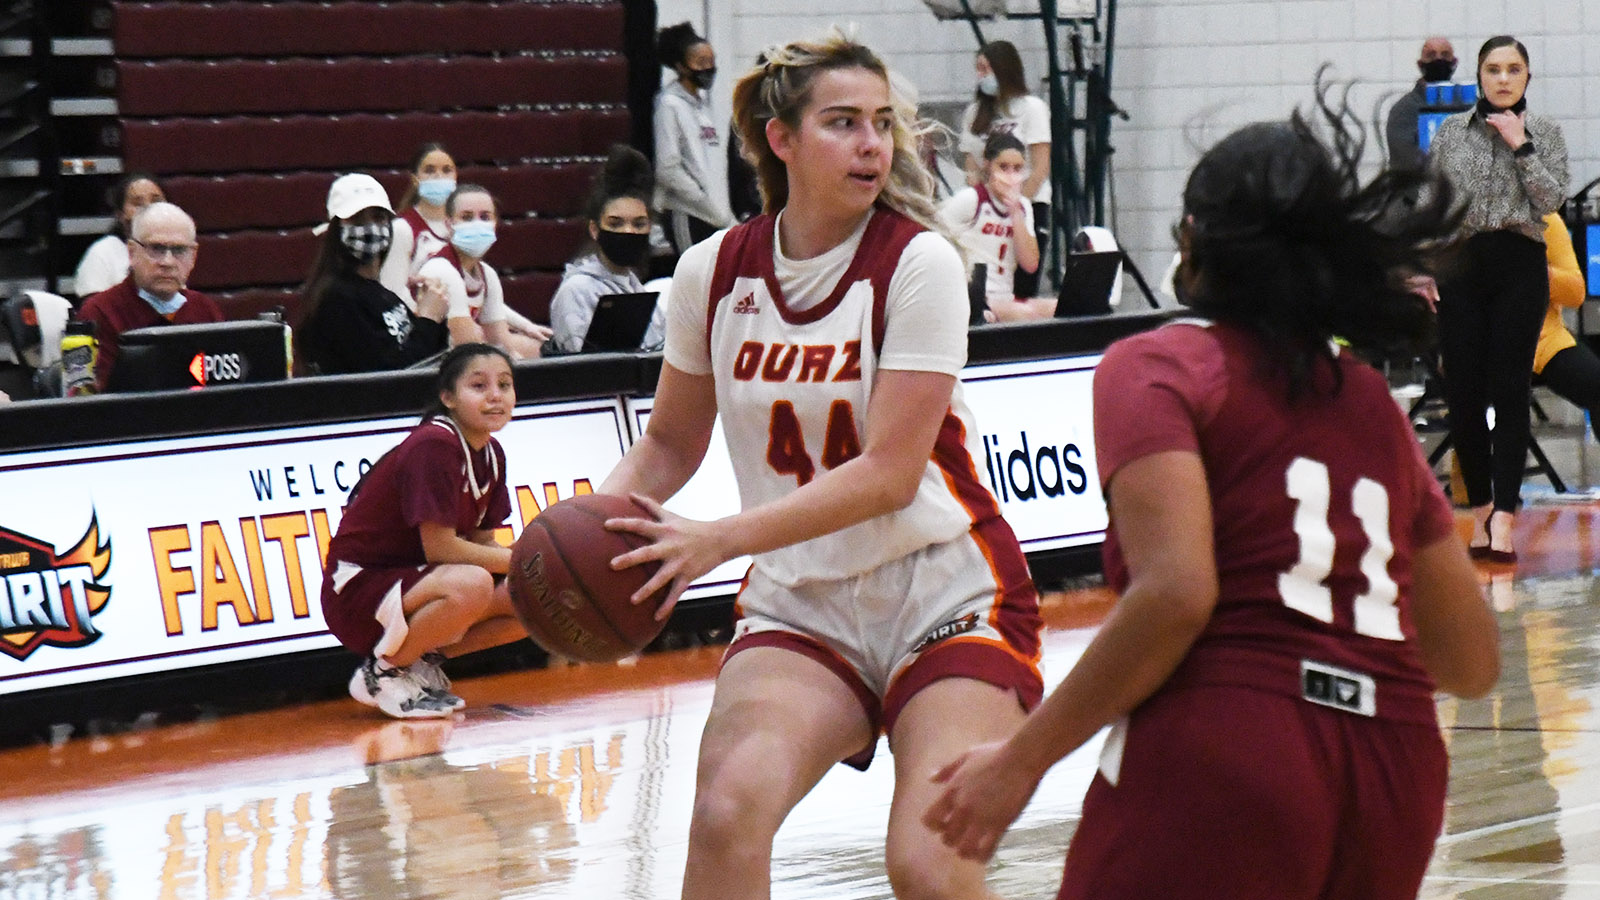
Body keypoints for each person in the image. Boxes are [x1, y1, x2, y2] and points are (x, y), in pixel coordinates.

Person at [923, 84, 1501, 900]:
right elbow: (1472, 663)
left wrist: (1021, 761)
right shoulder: (1370, 403)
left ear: (1196, 236)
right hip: (1397, 766)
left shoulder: (1158, 365)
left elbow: (1176, 594)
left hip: (1237, 738)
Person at [599, 30, 1044, 900]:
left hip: (944, 591)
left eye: (882, 123)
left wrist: (720, 539)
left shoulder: (918, 264)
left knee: (928, 862)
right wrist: (572, 532)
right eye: (843, 122)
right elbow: (667, 445)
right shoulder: (711, 272)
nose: (873, 143)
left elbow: (886, 472)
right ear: (782, 139)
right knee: (727, 812)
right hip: (803, 603)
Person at [319, 343, 527, 719]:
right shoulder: (434, 443)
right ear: (447, 397)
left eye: (505, 385)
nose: (496, 395)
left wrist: (538, 570)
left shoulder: (492, 454)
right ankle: (382, 672)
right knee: (475, 583)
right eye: (479, 386)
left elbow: (483, 544)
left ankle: (419, 659)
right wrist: (526, 558)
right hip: (358, 590)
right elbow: (440, 548)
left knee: (533, 600)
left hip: (416, 585)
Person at [1427, 35, 1568, 562]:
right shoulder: (1450, 132)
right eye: (1493, 69)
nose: (1503, 78)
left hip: (1519, 266)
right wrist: (1421, 265)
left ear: (1527, 76)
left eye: (1513, 69)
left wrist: (1520, 145)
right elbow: (1430, 201)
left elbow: (1553, 200)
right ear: (1479, 76)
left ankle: (1506, 520)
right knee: (1462, 396)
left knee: (1510, 392)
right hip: (1460, 265)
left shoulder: (1545, 131)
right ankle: (1483, 512)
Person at [293, 173, 449, 375]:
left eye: (378, 217)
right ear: (336, 229)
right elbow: (384, 375)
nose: (370, 227)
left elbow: (428, 356)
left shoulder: (381, 294)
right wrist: (429, 319)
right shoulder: (337, 298)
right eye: (357, 219)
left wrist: (434, 313)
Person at [79, 201, 224, 391]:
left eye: (179, 250)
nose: (167, 262)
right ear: (131, 252)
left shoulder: (205, 309)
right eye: (156, 249)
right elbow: (98, 402)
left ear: (193, 256)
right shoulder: (99, 312)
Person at [548, 145, 665, 354]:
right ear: (595, 229)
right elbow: (580, 367)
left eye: (638, 224)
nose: (628, 232)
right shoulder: (576, 290)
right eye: (616, 223)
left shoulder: (637, 289)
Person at [958, 40, 1051, 300]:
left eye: (985, 69)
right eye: (978, 69)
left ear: (1003, 69)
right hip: (987, 211)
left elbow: (1040, 166)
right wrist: (983, 205)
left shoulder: (1032, 108)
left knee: (1024, 284)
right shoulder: (974, 113)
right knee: (985, 286)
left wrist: (1019, 207)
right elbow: (971, 165)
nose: (980, 76)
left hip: (1028, 205)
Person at [415, 185, 550, 360]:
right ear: (449, 224)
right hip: (428, 367)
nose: (477, 224)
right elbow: (466, 346)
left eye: (485, 217)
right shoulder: (442, 269)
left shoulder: (487, 274)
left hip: (456, 365)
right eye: (467, 217)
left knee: (536, 350)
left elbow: (501, 343)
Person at [940, 133, 1043, 321]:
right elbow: (933, 232)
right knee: (1026, 315)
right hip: (975, 297)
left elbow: (1030, 264)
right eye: (1003, 167)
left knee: (1057, 308)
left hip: (1005, 297)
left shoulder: (1024, 207)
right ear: (988, 166)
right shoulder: (971, 199)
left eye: (1017, 169)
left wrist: (1015, 212)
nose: (1010, 176)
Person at [653, 22, 735, 260]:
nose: (709, 68)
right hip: (688, 215)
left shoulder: (703, 108)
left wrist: (722, 212)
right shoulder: (669, 105)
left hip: (713, 216)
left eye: (711, 61)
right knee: (694, 283)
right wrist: (703, 202)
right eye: (701, 62)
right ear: (680, 66)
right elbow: (667, 169)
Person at [1532, 212, 1599, 424]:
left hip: (1545, 342)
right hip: (1483, 343)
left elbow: (1575, 293)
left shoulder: (1546, 219)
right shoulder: (1464, 220)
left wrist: (1540, 271)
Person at [379, 142, 456, 304]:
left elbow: (483, 294)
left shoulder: (462, 227)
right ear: (415, 179)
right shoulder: (402, 228)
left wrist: (525, 326)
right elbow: (393, 291)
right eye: (429, 170)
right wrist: (427, 322)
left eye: (446, 170)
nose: (439, 176)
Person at [73, 173, 166, 299]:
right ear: (120, 214)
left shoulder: (172, 251)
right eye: (137, 203)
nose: (148, 208)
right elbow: (92, 312)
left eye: (156, 201)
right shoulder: (102, 252)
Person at [1386, 37, 1457, 173]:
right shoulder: (1403, 110)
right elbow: (1405, 164)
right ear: (1420, 64)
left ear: (1454, 63)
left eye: (1445, 55)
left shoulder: (1470, 106)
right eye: (1431, 55)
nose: (1438, 60)